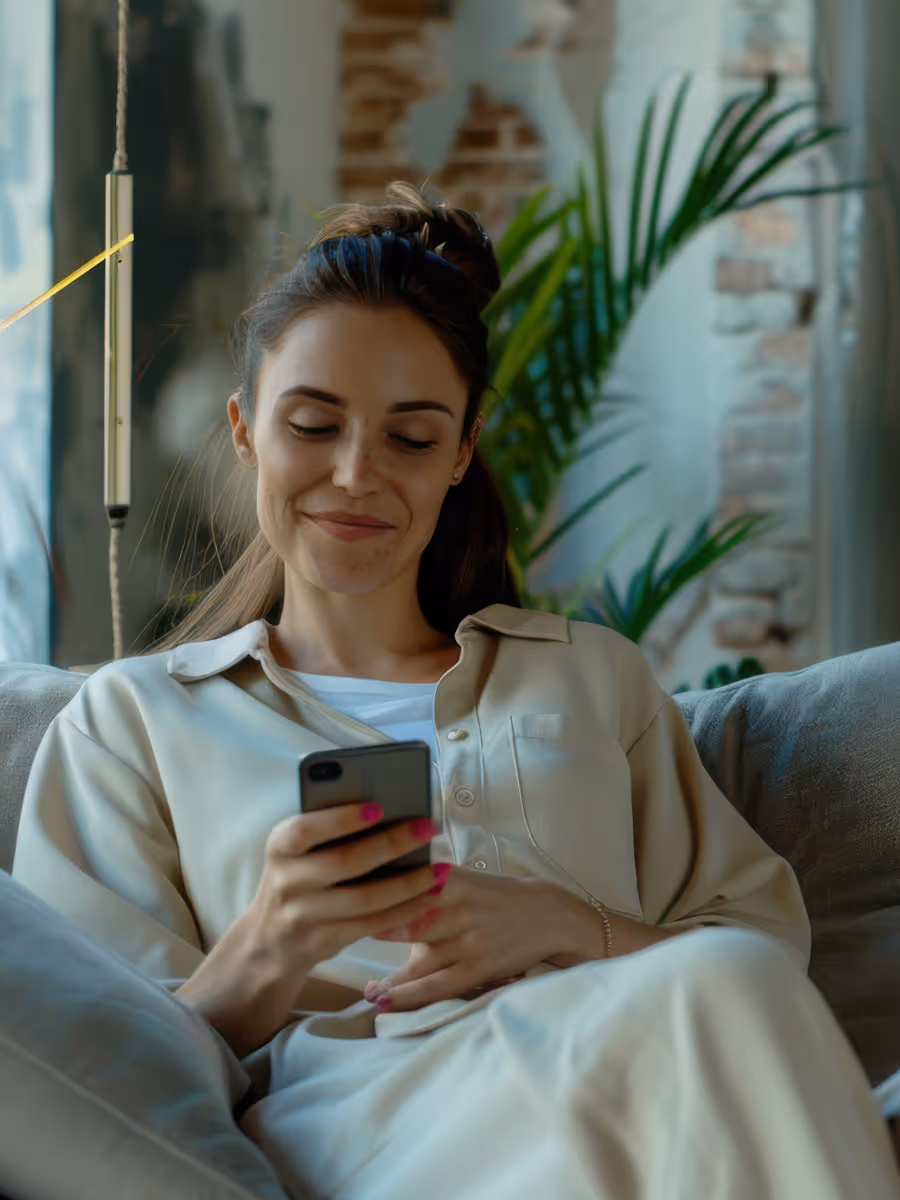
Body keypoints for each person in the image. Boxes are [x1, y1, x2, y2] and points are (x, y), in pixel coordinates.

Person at [12, 182, 900, 1200]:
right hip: (357, 1120)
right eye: (313, 423)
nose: (355, 474)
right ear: (246, 426)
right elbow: (91, 1062)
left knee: (728, 991)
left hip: (626, 1076)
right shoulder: (136, 720)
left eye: (411, 437)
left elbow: (760, 950)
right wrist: (268, 946)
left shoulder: (586, 676)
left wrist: (572, 925)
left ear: (462, 453)